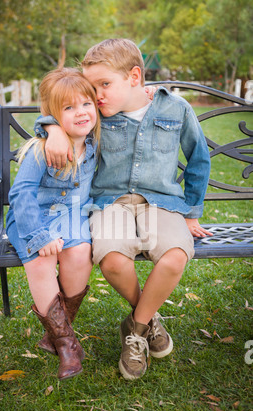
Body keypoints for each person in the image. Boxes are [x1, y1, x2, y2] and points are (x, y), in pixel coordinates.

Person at [34, 39, 212, 380]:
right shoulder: (97, 111)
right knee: (114, 260)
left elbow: (198, 159)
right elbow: (61, 107)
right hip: (110, 202)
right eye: (93, 87)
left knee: (175, 256)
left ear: (134, 76)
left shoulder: (175, 108)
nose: (97, 95)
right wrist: (52, 128)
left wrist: (192, 211)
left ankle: (137, 328)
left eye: (104, 85)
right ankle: (150, 319)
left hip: (162, 202)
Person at [6, 68, 100, 380]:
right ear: (54, 117)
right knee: (41, 260)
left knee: (80, 253)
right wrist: (39, 234)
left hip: (72, 214)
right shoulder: (42, 148)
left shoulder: (94, 144)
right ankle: (66, 344)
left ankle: (56, 331)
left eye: (86, 104)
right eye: (69, 108)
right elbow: (20, 195)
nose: (81, 113)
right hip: (31, 215)